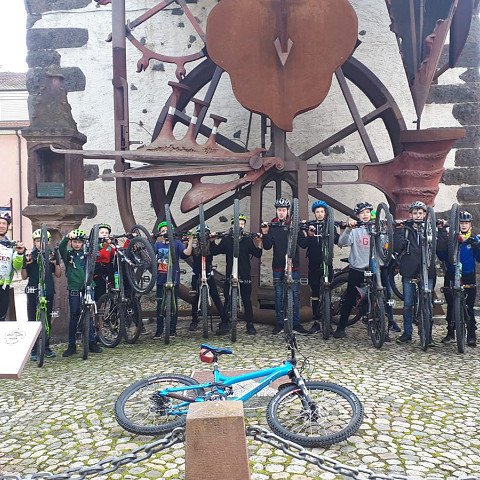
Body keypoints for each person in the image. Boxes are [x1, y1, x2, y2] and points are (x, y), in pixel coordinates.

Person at [260, 198, 309, 335]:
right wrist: (265, 233)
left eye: (283, 210)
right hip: (278, 266)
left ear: (288, 211)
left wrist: (306, 232)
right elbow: (268, 246)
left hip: (293, 266)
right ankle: (279, 323)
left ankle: (296, 323)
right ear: (276, 210)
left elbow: (303, 244)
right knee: (278, 295)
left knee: (294, 294)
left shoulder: (294, 224)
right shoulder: (273, 225)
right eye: (279, 210)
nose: (281, 213)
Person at [393, 201, 436, 344]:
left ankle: (428, 335)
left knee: (428, 304)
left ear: (424, 214)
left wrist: (441, 230)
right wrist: (399, 229)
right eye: (415, 213)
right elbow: (397, 248)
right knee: (408, 304)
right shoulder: (406, 229)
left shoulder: (431, 228)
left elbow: (440, 247)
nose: (417, 216)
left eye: (420, 213)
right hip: (409, 270)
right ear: (410, 214)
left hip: (427, 270)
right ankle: (407, 333)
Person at [214, 213, 262, 335]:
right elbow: (216, 251)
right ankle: (225, 322)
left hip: (244, 272)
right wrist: (212, 240)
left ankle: (250, 325)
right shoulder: (226, 240)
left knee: (246, 300)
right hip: (230, 272)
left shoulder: (247, 240)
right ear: (231, 225)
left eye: (241, 224)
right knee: (227, 298)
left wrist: (259, 241)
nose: (239, 226)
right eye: (237, 224)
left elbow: (257, 254)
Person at [437, 210, 480, 346]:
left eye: (466, 223)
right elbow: (442, 256)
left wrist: (477, 246)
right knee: (451, 305)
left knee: (469, 307)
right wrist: (443, 240)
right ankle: (450, 332)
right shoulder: (451, 238)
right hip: (452, 273)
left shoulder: (474, 239)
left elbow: (479, 259)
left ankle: (471, 334)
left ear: (470, 224)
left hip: (468, 275)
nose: (463, 225)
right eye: (461, 223)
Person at [59, 229, 103, 357]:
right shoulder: (69, 254)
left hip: (88, 285)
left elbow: (97, 248)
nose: (77, 244)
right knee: (74, 314)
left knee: (88, 314)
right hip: (74, 286)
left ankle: (91, 341)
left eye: (80, 242)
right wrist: (67, 237)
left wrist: (104, 243)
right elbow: (61, 247)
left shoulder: (87, 253)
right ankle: (71, 345)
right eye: (75, 242)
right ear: (72, 243)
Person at [298, 200, 339, 334]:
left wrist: (343, 228)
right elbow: (303, 245)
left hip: (327, 262)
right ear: (314, 214)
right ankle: (316, 322)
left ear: (325, 213)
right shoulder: (310, 226)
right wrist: (307, 232)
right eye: (317, 212)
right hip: (314, 263)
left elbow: (337, 240)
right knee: (315, 294)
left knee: (328, 292)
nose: (320, 214)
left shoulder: (330, 225)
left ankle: (328, 322)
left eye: (322, 212)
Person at [335, 202, 375, 339]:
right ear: (358, 215)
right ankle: (341, 327)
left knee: (378, 296)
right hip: (357, 267)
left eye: (368, 212)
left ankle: (381, 328)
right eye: (362, 213)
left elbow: (386, 244)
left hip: (373, 268)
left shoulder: (376, 228)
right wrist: (348, 229)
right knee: (350, 298)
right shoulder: (355, 229)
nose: (365, 215)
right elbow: (342, 243)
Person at [22, 229, 62, 360]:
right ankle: (33, 349)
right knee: (32, 319)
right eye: (38, 241)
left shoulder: (52, 254)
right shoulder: (30, 255)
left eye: (44, 241)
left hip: (48, 288)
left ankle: (46, 346)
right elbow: (23, 277)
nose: (41, 243)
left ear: (48, 242)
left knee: (47, 318)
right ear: (34, 243)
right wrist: (24, 265)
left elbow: (58, 274)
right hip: (33, 288)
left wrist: (56, 264)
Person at [153, 222, 193, 338]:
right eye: (163, 231)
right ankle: (159, 330)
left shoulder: (177, 243)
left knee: (173, 304)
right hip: (161, 278)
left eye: (167, 230)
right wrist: (152, 239)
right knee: (160, 305)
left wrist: (190, 240)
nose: (165, 232)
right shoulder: (158, 245)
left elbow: (187, 253)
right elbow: (149, 255)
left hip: (173, 277)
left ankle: (172, 329)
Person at [189, 224, 230, 333]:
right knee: (195, 297)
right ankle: (194, 320)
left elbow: (217, 251)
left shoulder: (210, 246)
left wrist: (212, 241)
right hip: (196, 273)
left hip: (208, 273)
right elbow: (186, 254)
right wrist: (190, 239)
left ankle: (224, 319)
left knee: (215, 296)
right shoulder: (194, 246)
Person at [0, 213, 25, 322]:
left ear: (8, 226)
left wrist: (19, 254)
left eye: (4, 223)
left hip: (3, 286)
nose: (1, 226)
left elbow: (17, 266)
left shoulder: (12, 245)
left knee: (1, 317)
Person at [93, 223, 115, 301]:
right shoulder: (94, 245)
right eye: (102, 233)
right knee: (99, 286)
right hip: (97, 268)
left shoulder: (110, 246)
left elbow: (116, 253)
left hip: (107, 268)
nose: (104, 234)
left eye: (106, 233)